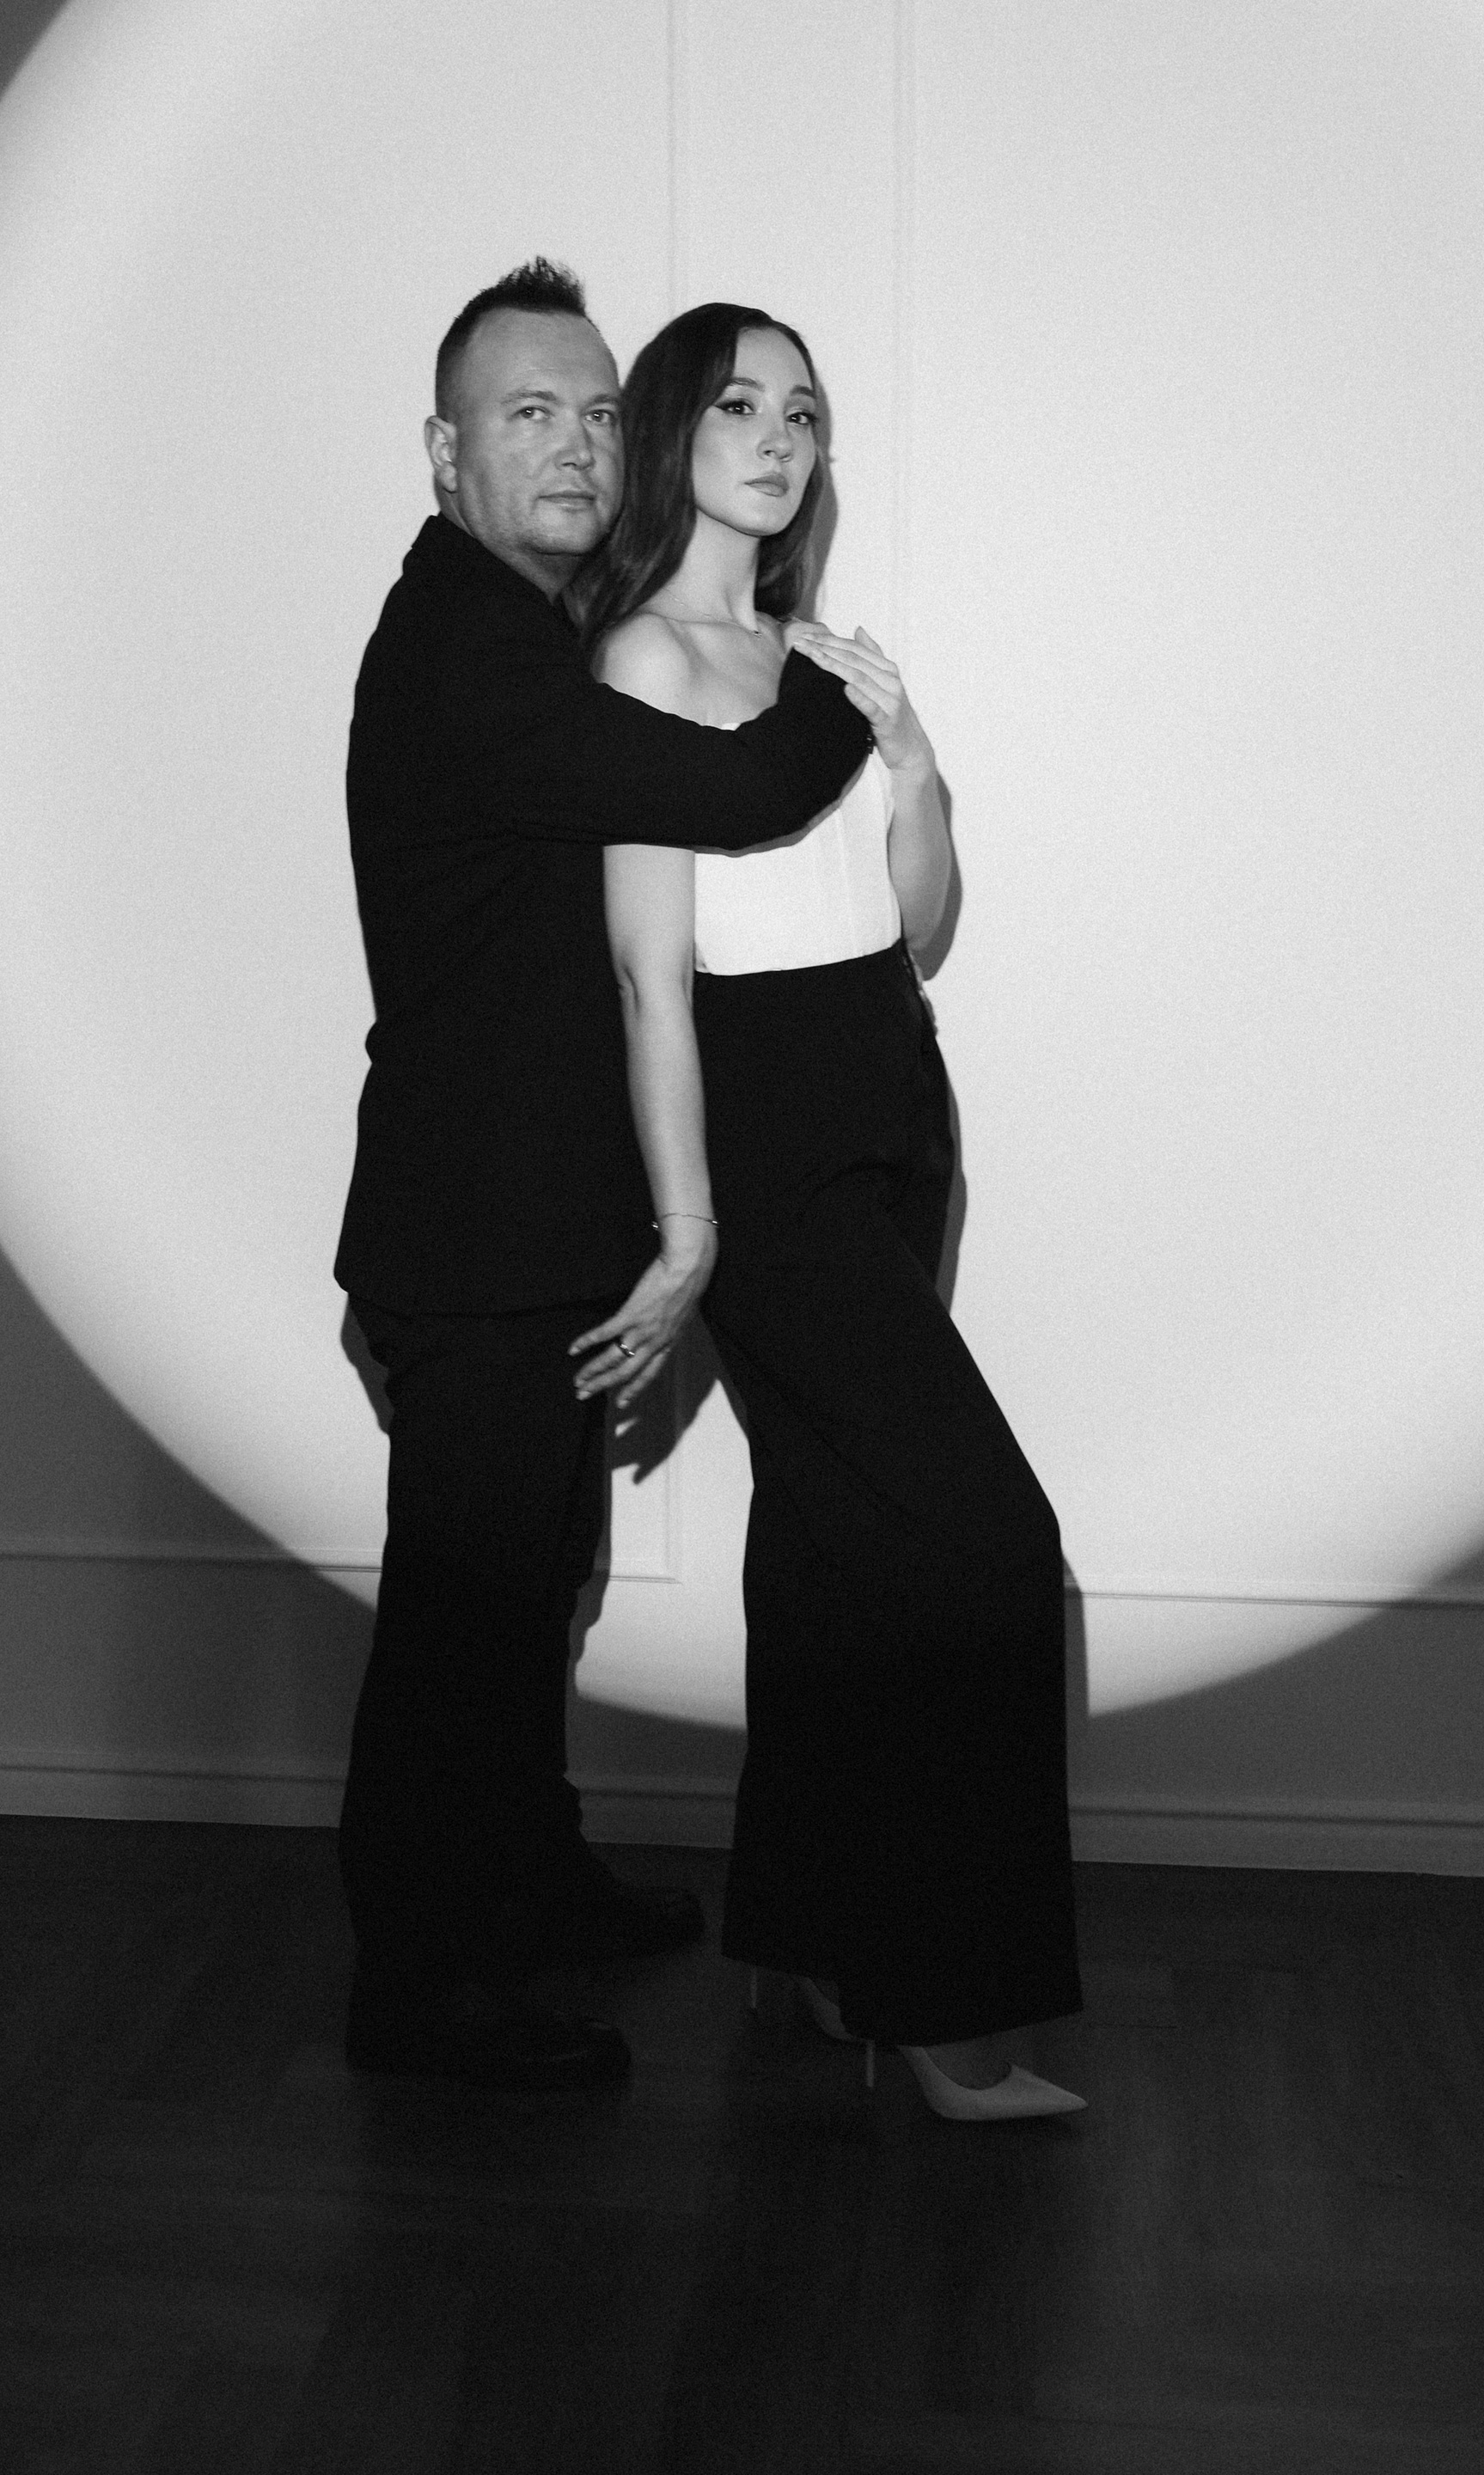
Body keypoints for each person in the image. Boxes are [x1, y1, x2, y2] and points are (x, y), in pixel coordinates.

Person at [334, 260, 870, 2094]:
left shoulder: (528, 626)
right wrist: (835, 690)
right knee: (461, 1627)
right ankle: (421, 1997)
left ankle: (531, 1880)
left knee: (529, 1590)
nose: (571, 445)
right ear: (446, 454)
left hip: (527, 1227)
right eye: (524, 414)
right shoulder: (466, 649)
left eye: (592, 411)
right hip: (472, 1240)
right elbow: (731, 790)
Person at [573, 303, 1084, 2120]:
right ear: (672, 433)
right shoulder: (638, 659)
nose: (781, 436)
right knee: (987, 1546)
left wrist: (922, 775)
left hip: (893, 1094)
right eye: (739, 404)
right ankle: (946, 2008)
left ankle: (804, 1934)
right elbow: (651, 977)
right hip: (771, 1131)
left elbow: (916, 922)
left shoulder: (825, 659)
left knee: (833, 1546)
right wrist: (689, 1227)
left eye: (804, 410)